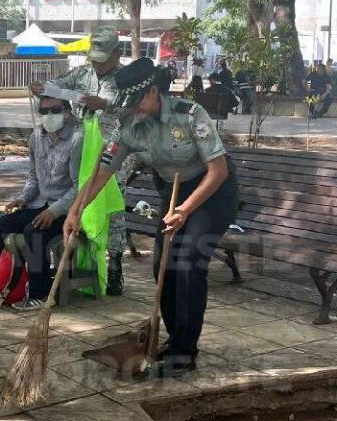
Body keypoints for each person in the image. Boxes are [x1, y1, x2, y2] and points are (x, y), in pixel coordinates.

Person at [63, 57, 239, 377]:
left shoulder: (190, 115)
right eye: (127, 104)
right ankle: (174, 338)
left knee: (187, 262)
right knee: (162, 265)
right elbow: (102, 171)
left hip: (213, 193)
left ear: (154, 92)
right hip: (173, 192)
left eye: (137, 101)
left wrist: (186, 210)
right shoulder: (128, 126)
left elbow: (219, 170)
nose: (133, 110)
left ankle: (185, 351)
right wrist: (76, 210)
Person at [29, 25, 137, 295]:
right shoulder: (81, 73)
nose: (98, 65)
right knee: (79, 202)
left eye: (103, 59)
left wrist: (106, 105)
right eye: (94, 58)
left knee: (111, 209)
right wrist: (40, 89)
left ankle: (114, 269)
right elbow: (55, 90)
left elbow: (135, 108)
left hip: (115, 150)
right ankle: (82, 264)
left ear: (116, 53)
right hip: (82, 147)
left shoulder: (128, 78)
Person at [0, 95, 82, 311]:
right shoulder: (36, 137)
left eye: (55, 110)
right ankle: (6, 280)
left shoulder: (77, 139)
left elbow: (79, 187)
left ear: (67, 111)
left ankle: (41, 294)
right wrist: (23, 198)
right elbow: (33, 177)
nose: (49, 116)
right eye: (44, 111)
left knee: (33, 231)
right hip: (40, 203)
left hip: (66, 209)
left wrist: (54, 211)